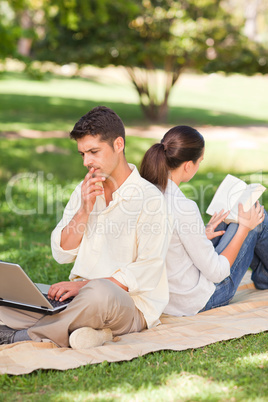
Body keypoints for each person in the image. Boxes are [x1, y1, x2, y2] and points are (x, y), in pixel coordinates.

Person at [0, 106, 171, 348]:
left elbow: (146, 270)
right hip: (79, 300)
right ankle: (78, 329)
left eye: (93, 151)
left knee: (99, 294)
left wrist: (82, 286)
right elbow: (61, 253)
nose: (87, 162)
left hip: (127, 305)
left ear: (119, 145)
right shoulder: (85, 190)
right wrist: (84, 210)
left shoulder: (150, 199)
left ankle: (22, 336)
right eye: (82, 154)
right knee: (11, 296)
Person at [139, 125, 268, 316]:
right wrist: (244, 229)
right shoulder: (183, 207)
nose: (199, 166)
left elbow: (168, 245)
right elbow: (217, 272)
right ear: (188, 165)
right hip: (197, 299)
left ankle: (264, 275)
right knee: (257, 218)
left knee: (228, 220)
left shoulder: (146, 194)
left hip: (167, 297)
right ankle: (264, 277)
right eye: (199, 161)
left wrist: (202, 234)